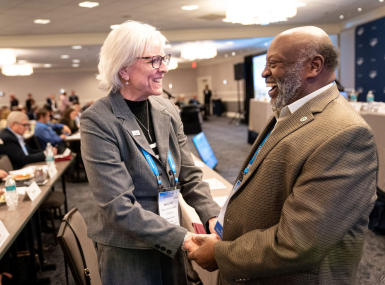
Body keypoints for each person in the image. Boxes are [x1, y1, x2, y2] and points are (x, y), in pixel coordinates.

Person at [188, 26, 378, 284]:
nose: (265, 73)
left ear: (314, 66)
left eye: (274, 64)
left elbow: (299, 241)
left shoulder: (345, 134)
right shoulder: (290, 111)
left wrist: (221, 254)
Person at [81, 20, 220, 285]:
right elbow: (117, 205)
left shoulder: (166, 109)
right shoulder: (98, 120)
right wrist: (186, 238)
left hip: (171, 234)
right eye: (154, 61)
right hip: (128, 249)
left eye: (163, 58)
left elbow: (189, 174)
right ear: (123, 69)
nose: (164, 68)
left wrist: (212, 216)